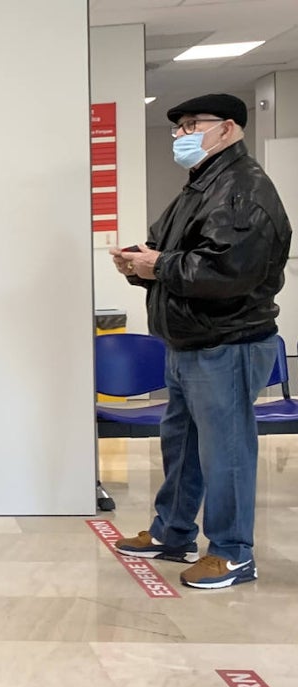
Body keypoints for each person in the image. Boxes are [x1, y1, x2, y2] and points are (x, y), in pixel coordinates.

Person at [111, 93, 291, 590]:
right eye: (178, 127)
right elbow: (172, 249)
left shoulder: (242, 190)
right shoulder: (202, 185)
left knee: (226, 450)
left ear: (228, 128)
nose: (183, 135)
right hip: (190, 340)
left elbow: (226, 271)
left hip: (227, 341)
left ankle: (233, 553)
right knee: (183, 444)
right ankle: (173, 533)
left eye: (193, 125)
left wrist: (158, 265)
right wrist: (141, 263)